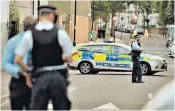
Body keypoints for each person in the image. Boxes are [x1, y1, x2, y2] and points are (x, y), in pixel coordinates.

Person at [14, 5, 73, 110]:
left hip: (40, 77)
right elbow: (69, 59)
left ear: (40, 16)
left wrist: (28, 72)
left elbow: (17, 59)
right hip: (58, 78)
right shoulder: (61, 34)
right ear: (52, 16)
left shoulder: (29, 35)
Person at [2, 16, 37, 110]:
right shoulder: (13, 42)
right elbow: (5, 63)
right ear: (24, 27)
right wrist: (17, 71)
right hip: (18, 82)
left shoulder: (40, 42)